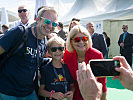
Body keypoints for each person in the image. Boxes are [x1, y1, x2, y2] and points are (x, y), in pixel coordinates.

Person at [0, 6, 58, 100]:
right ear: (37, 19)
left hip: (29, 92)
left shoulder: (44, 42)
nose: (50, 26)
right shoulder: (19, 32)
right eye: (47, 21)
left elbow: (33, 61)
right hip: (8, 92)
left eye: (54, 23)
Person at [63, 25, 107, 100]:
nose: (81, 42)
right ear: (71, 41)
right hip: (74, 96)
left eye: (84, 38)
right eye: (77, 39)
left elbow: (102, 83)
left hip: (93, 96)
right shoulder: (67, 55)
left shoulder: (97, 55)